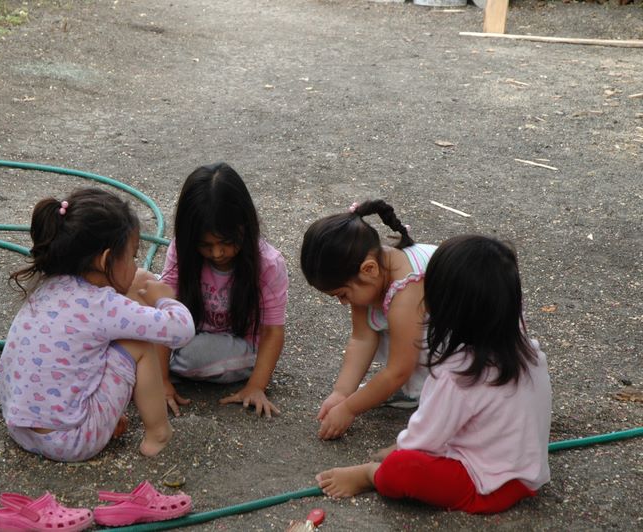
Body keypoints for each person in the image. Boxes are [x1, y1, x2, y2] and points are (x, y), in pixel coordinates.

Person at [316, 235, 552, 514]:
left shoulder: (457, 374)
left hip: (483, 488)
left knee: (398, 468)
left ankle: (368, 475)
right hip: (527, 478)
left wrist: (392, 453)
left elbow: (421, 441)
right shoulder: (531, 352)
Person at [0, 188, 195, 462]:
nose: (135, 265)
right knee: (137, 343)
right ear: (105, 260)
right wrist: (164, 299)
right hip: (69, 441)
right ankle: (158, 433)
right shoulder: (103, 305)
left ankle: (98, 418)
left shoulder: (48, 286)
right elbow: (181, 330)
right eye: (132, 256)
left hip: (20, 428)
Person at [156, 162, 288, 418]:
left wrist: (256, 386)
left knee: (193, 355)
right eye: (205, 245)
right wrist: (160, 381)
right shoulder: (181, 250)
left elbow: (272, 331)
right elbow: (165, 312)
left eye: (226, 242)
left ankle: (152, 361)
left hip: (239, 345)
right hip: (189, 332)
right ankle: (155, 362)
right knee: (138, 299)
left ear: (245, 226)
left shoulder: (268, 264)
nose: (217, 253)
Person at [300, 200, 436, 440]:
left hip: (474, 342)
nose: (343, 303)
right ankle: (419, 387)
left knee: (404, 338)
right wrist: (341, 393)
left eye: (342, 294)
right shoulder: (368, 271)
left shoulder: (407, 290)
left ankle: (432, 391)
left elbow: (398, 370)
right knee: (384, 325)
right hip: (429, 331)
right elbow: (362, 338)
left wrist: (350, 409)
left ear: (369, 269)